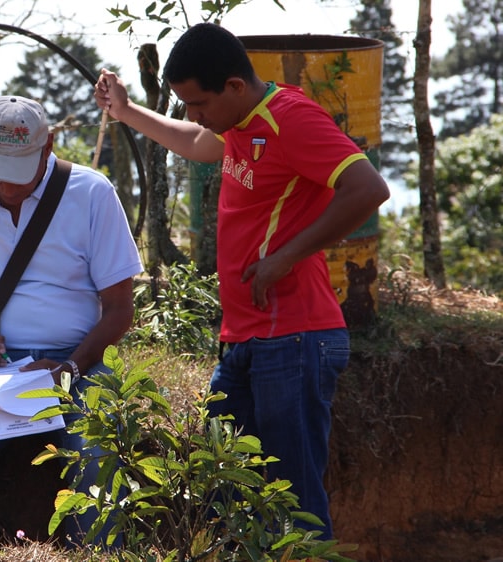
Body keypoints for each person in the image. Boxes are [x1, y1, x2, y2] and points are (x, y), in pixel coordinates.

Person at [94, 23, 390, 540]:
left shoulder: (291, 119)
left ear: (234, 86)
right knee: (224, 485)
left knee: (293, 504)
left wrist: (284, 258)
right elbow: (197, 142)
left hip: (294, 338)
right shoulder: (237, 123)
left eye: (198, 102)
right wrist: (125, 112)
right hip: (246, 338)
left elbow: (368, 188)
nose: (193, 115)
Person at [0, 95, 143, 547]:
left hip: (80, 366)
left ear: (49, 144)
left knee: (95, 453)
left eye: (17, 173)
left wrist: (70, 367)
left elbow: (119, 309)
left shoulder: (92, 195)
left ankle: (96, 556)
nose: (5, 187)